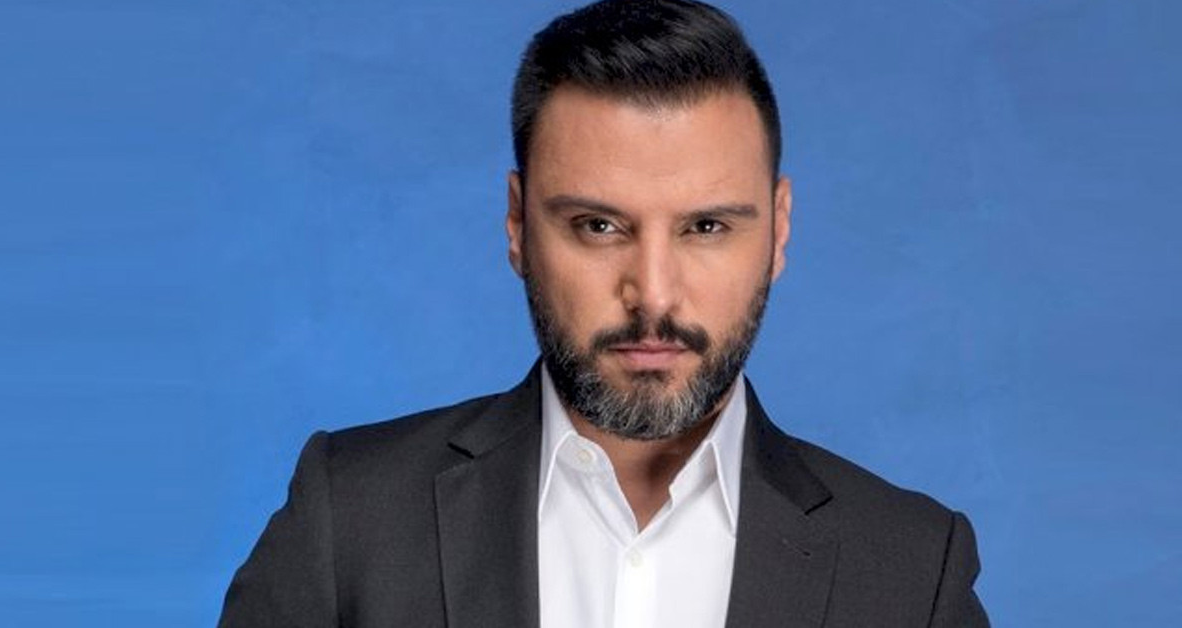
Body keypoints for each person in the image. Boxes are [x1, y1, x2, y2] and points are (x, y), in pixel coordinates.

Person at [217, 1, 990, 626]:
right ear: (517, 225)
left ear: (779, 231)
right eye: (598, 226)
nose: (652, 294)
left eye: (706, 227)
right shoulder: (349, 519)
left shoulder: (912, 568)